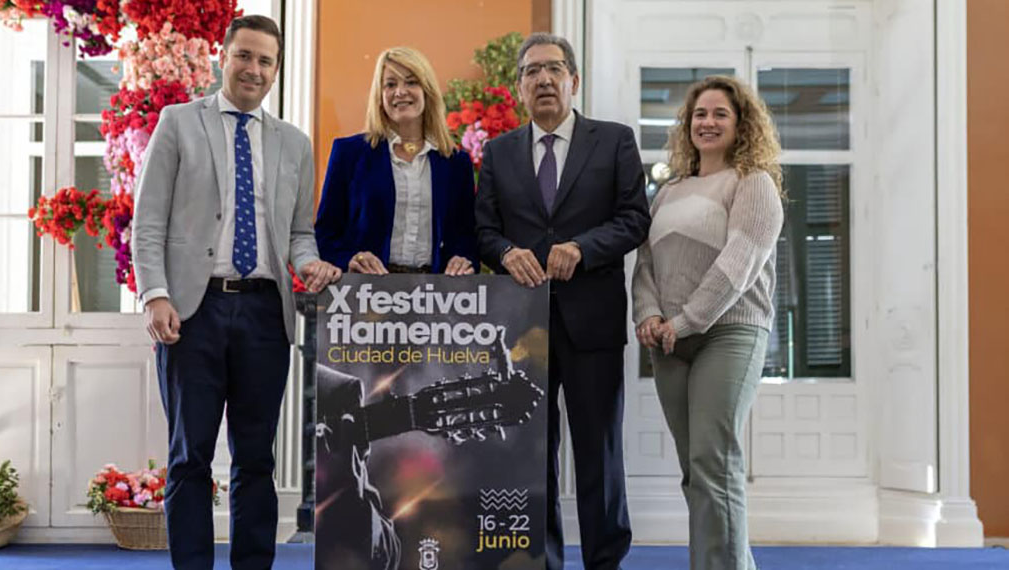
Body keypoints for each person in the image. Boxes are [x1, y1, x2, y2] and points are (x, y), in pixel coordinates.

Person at [131, 14, 341, 570]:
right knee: (189, 458)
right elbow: (147, 223)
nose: (253, 69)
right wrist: (155, 294)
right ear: (223, 57)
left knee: (255, 459)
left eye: (265, 60)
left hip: (265, 315)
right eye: (244, 55)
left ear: (275, 71)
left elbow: (298, 232)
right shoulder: (178, 124)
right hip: (191, 313)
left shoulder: (294, 144)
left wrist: (311, 264)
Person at [475, 32, 651, 570]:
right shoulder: (499, 152)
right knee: (531, 454)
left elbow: (635, 220)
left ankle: (604, 560)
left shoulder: (615, 140)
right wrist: (505, 253)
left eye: (555, 69)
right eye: (532, 71)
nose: (544, 79)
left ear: (575, 81)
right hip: (520, 328)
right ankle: (542, 560)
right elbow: (483, 229)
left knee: (599, 454)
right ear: (520, 88)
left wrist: (583, 247)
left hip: (592, 323)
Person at [631, 75, 784, 570]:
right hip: (671, 339)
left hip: (729, 333)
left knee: (714, 463)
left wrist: (688, 320)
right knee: (695, 472)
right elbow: (647, 262)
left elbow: (740, 263)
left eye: (720, 113)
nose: (708, 122)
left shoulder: (754, 184)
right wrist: (650, 315)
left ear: (742, 124)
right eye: (700, 114)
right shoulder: (670, 191)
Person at [315, 46, 477, 276]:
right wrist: (352, 259)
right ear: (379, 96)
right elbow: (325, 235)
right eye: (390, 84)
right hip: (367, 295)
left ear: (427, 91)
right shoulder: (349, 153)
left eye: (411, 82)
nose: (400, 92)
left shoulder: (455, 162)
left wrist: (464, 260)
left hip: (436, 297)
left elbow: (466, 237)